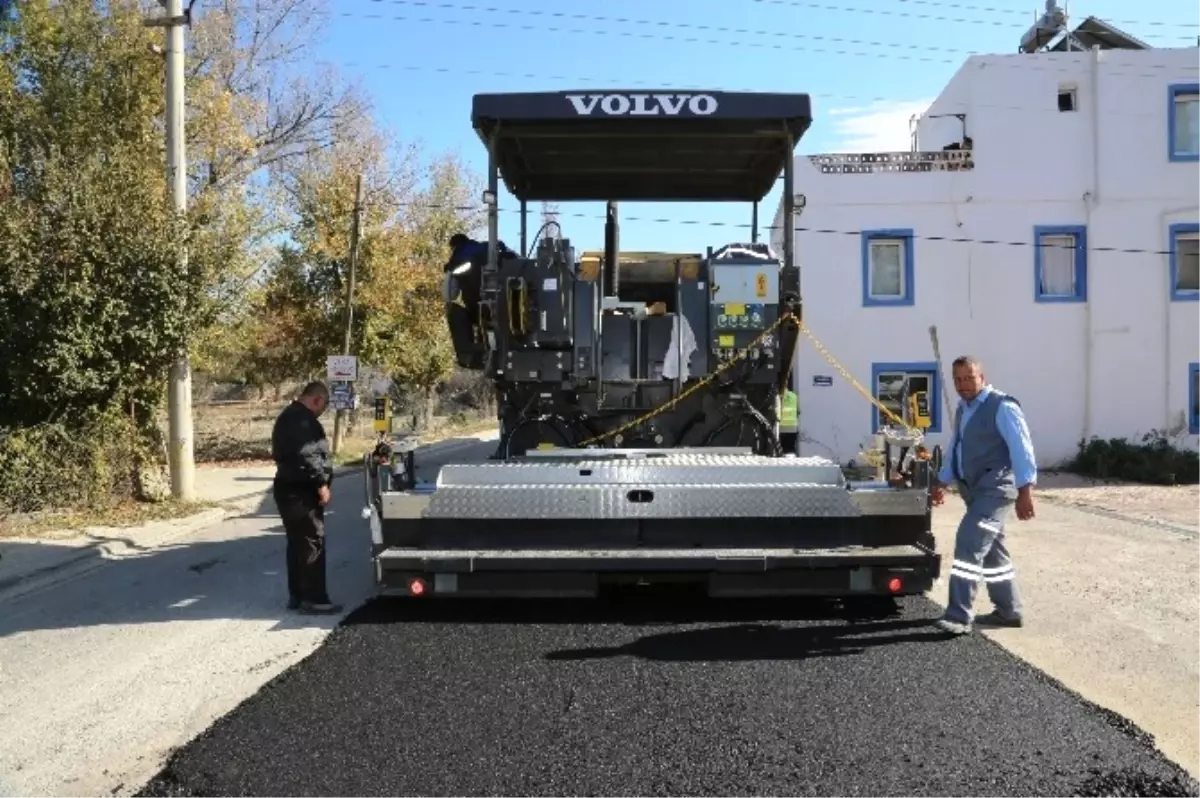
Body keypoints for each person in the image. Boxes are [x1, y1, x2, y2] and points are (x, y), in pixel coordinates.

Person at [931, 355, 1037, 635]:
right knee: (992, 553)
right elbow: (956, 446)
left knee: (969, 542)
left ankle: (957, 617)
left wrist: (1026, 491)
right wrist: (942, 481)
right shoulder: (964, 409)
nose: (963, 384)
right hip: (975, 491)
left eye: (969, 378)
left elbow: (1021, 449)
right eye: (958, 379)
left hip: (997, 491)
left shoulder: (1002, 406)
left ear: (982, 377)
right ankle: (1009, 611)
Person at [271, 381, 340, 615]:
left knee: (298, 544)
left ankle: (298, 596)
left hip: (290, 489)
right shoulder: (301, 421)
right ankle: (314, 599)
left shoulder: (290, 416)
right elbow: (308, 455)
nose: (323, 410)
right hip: (301, 492)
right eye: (324, 405)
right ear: (317, 399)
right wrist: (321, 483)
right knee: (312, 543)